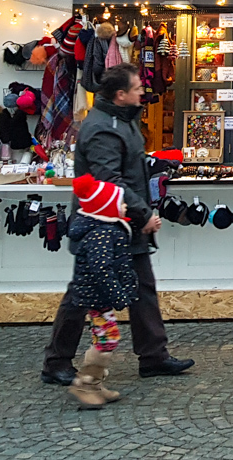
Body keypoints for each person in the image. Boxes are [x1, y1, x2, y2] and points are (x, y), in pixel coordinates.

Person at [42, 64, 193, 383]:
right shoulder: (104, 129)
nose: (143, 91)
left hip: (121, 221)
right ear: (121, 95)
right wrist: (143, 213)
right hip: (102, 224)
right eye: (137, 88)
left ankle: (153, 356)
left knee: (142, 287)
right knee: (81, 293)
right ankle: (56, 362)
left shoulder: (120, 121)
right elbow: (109, 180)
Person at [64, 173, 139, 408]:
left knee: (103, 338)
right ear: (107, 208)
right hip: (98, 297)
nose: (125, 205)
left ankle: (94, 384)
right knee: (107, 340)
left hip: (98, 296)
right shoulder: (103, 234)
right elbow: (102, 269)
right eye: (121, 202)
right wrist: (118, 295)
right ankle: (86, 383)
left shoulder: (107, 230)